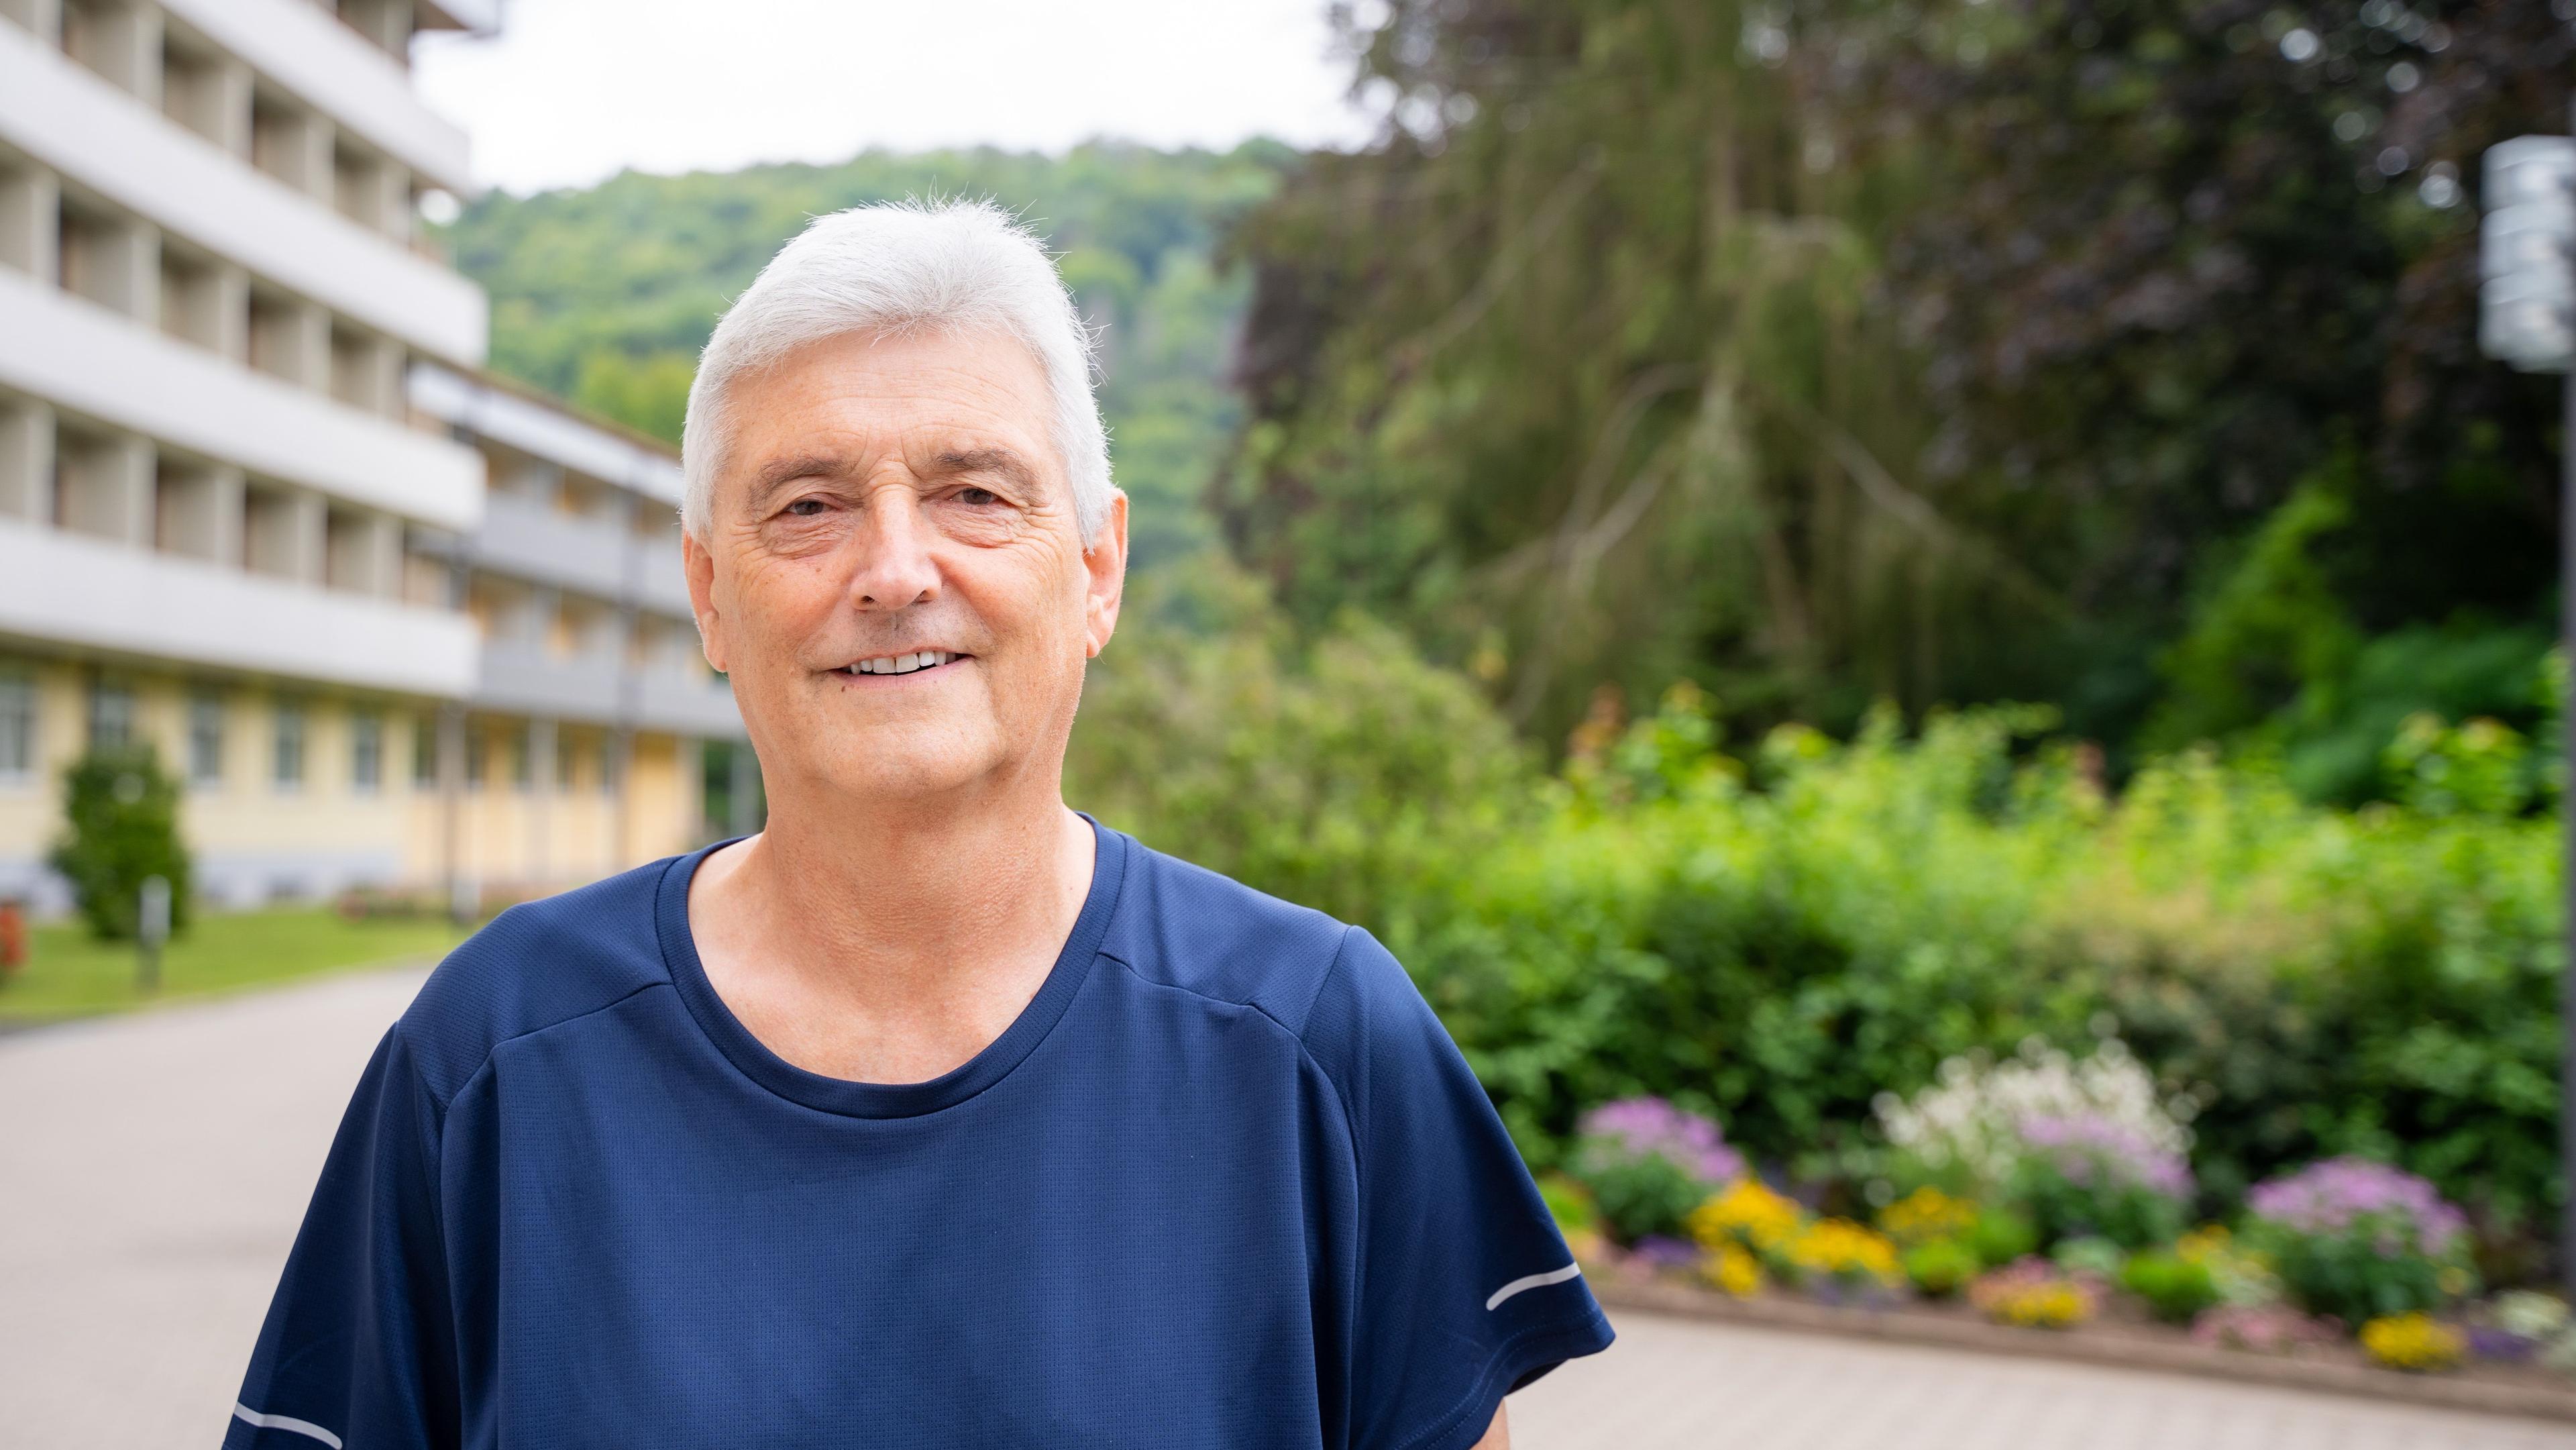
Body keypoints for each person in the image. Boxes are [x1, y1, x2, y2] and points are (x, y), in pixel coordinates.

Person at [226, 200, 1612, 1450]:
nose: (896, 571)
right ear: (710, 594)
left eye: (974, 493)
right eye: (810, 506)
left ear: (1097, 568)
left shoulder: (1321, 1042)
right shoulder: (494, 1057)